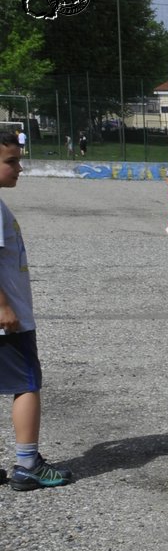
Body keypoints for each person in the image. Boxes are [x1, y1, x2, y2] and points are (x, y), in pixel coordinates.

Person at [0, 132, 71, 492]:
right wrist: (3, 307)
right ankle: (27, 464)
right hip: (8, 321)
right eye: (10, 161)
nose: (19, 168)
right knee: (26, 384)